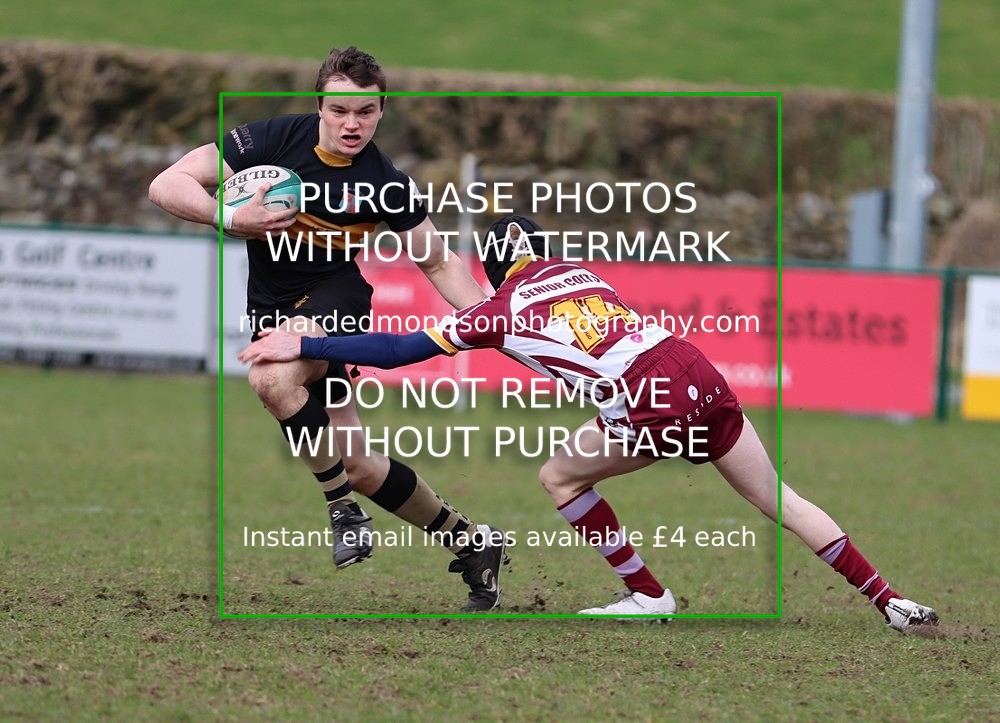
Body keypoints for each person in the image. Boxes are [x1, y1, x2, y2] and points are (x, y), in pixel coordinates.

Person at [238, 215, 940, 630]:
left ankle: (648, 594)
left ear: (494, 265)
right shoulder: (577, 271)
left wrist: (306, 342)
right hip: (697, 369)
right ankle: (891, 600)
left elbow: (396, 351)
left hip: (650, 396)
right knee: (778, 496)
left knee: (559, 475)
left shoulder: (499, 309)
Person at [148, 46, 507, 612]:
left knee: (270, 378)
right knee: (360, 463)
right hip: (272, 304)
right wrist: (231, 216)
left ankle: (342, 509)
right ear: (319, 106)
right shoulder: (268, 142)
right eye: (339, 110)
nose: (351, 124)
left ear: (382, 110)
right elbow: (168, 184)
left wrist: (495, 318)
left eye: (364, 112)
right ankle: (472, 542)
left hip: (338, 303)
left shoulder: (384, 180)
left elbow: (437, 262)